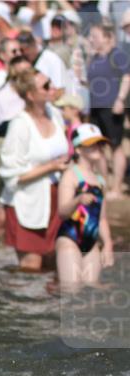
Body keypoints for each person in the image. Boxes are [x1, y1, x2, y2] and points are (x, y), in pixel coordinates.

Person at [0, 69, 69, 271]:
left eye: (51, 83)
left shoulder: (55, 114)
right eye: (46, 86)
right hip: (27, 203)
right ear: (30, 95)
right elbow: (11, 175)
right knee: (31, 266)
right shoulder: (20, 125)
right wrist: (51, 167)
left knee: (54, 263)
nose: (52, 88)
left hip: (56, 199)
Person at [55, 123, 115, 291]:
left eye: (99, 143)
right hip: (70, 239)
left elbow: (102, 218)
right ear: (78, 149)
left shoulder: (100, 181)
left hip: (91, 243)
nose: (97, 147)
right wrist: (78, 200)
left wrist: (108, 244)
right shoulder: (71, 175)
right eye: (92, 144)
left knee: (90, 293)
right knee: (72, 291)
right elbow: (62, 212)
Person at [0, 56, 33, 236]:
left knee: (19, 211)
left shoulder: (34, 97)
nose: (27, 76)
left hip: (24, 154)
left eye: (30, 72)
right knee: (0, 216)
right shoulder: (1, 98)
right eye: (23, 73)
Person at [86, 22, 130, 199]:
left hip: (112, 106)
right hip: (95, 107)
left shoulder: (117, 55)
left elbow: (127, 77)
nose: (91, 40)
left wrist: (120, 99)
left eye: (95, 36)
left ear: (107, 38)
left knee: (116, 146)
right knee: (98, 146)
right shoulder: (94, 58)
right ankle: (103, 185)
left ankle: (117, 187)